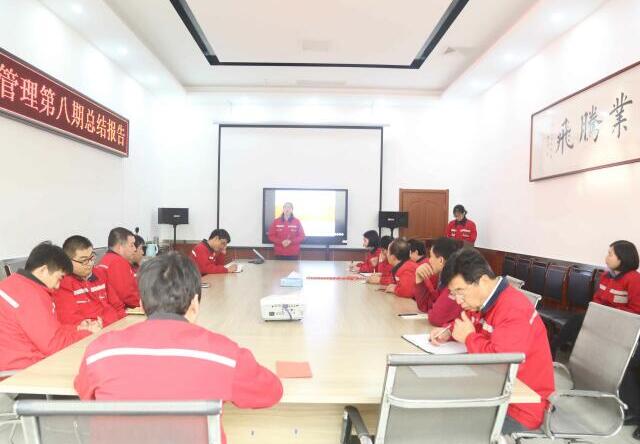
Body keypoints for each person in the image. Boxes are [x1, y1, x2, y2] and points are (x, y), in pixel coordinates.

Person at [75, 252, 283, 444]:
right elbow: (272, 392)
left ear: (141, 304)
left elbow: (84, 391)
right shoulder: (224, 356)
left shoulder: (99, 352)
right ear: (195, 303)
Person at [430, 248, 554, 434]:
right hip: (491, 390)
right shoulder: (482, 301)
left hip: (518, 408)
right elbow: (470, 323)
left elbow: (501, 362)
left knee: (444, 425)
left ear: (483, 281)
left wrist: (469, 338)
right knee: (437, 408)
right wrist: (450, 330)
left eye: (460, 291)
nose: (458, 300)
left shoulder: (513, 308)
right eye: (454, 293)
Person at [0, 242, 100, 372]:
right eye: (59, 278)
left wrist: (77, 329)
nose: (57, 286)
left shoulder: (14, 284)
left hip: (12, 367)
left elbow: (50, 331)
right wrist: (88, 333)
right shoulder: (31, 294)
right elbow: (54, 345)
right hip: (21, 373)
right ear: (44, 270)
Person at [52, 236, 120, 328]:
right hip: (92, 333)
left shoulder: (101, 274)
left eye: (92, 257)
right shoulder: (63, 283)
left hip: (114, 326)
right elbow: (72, 321)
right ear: (67, 261)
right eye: (84, 260)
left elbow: (118, 307)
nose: (90, 263)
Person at [414, 237, 463, 326]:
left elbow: (436, 318)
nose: (429, 260)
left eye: (431, 256)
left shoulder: (457, 283)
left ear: (441, 260)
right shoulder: (444, 280)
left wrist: (433, 310)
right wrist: (419, 279)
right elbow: (425, 306)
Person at [95, 227, 140, 318]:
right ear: (120, 247)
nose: (135, 249)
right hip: (120, 313)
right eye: (131, 245)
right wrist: (147, 303)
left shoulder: (105, 259)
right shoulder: (118, 262)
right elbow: (127, 296)